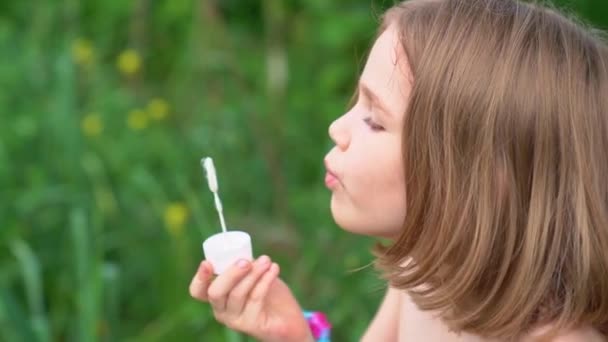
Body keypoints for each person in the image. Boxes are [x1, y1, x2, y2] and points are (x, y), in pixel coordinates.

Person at [189, 0, 608, 340]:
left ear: (476, 178)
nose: (337, 128)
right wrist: (292, 335)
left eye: (375, 119)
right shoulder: (425, 278)